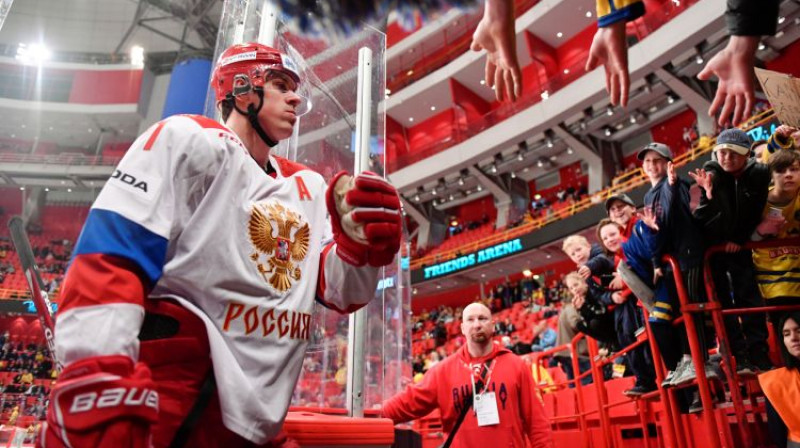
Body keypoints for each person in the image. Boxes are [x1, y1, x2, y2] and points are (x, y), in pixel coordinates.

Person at [42, 42, 402, 448]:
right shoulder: (189, 138)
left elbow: (340, 291)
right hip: (178, 400)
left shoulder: (309, 186)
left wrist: (361, 248)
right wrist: (97, 368)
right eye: (280, 84)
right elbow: (113, 256)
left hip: (261, 419)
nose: (294, 96)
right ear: (243, 88)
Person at [381, 303, 553, 448]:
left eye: (482, 318)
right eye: (470, 320)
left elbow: (537, 422)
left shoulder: (516, 365)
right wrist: (372, 417)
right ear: (462, 328)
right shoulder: (443, 371)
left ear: (493, 325)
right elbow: (408, 402)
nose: (477, 324)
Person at [692, 128, 772, 374]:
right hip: (715, 250)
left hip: (741, 246)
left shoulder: (759, 173)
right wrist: (708, 195)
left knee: (750, 298)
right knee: (723, 304)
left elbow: (756, 210)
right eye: (722, 152)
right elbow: (703, 218)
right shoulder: (712, 172)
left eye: (733, 153)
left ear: (747, 154)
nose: (726, 158)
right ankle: (740, 358)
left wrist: (739, 239)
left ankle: (759, 354)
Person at [751, 149, 800, 327]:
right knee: (786, 335)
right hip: (773, 284)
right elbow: (741, 239)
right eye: (780, 170)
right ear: (771, 175)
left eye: (794, 169)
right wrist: (761, 231)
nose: (788, 175)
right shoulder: (758, 202)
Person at [758, 312, 800, 448]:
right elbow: (777, 432)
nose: (793, 338)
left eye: (799, 331)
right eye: (786, 334)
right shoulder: (775, 382)